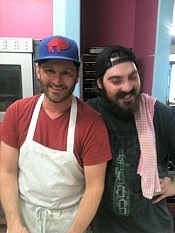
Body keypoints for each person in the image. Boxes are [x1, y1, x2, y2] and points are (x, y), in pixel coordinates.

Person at [0, 35, 112, 233]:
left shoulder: (92, 123)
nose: (57, 81)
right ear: (38, 71)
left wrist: (74, 231)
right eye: (50, 71)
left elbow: (95, 187)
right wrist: (14, 223)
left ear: (77, 75)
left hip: (71, 221)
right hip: (24, 218)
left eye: (66, 73)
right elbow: (7, 172)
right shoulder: (17, 112)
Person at [87, 45, 175, 233]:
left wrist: (174, 185)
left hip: (154, 228)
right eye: (116, 80)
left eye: (133, 77)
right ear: (100, 83)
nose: (127, 87)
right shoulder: (88, 114)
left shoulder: (158, 113)